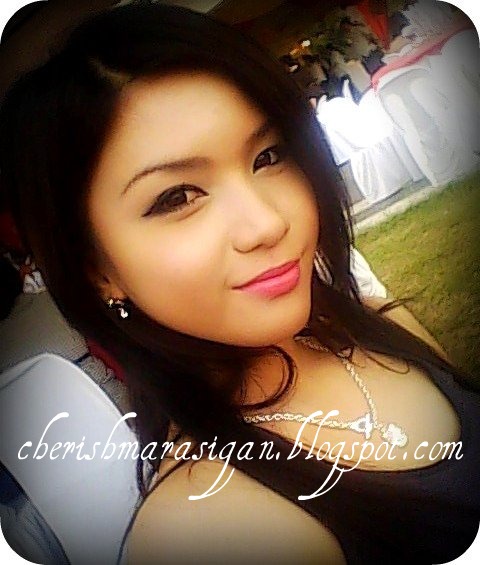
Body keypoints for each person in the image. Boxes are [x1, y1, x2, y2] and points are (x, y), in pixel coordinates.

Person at [0, 3, 478, 564]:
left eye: (268, 156)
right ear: (96, 270)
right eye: (177, 197)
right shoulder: (208, 527)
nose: (268, 224)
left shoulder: (377, 321)